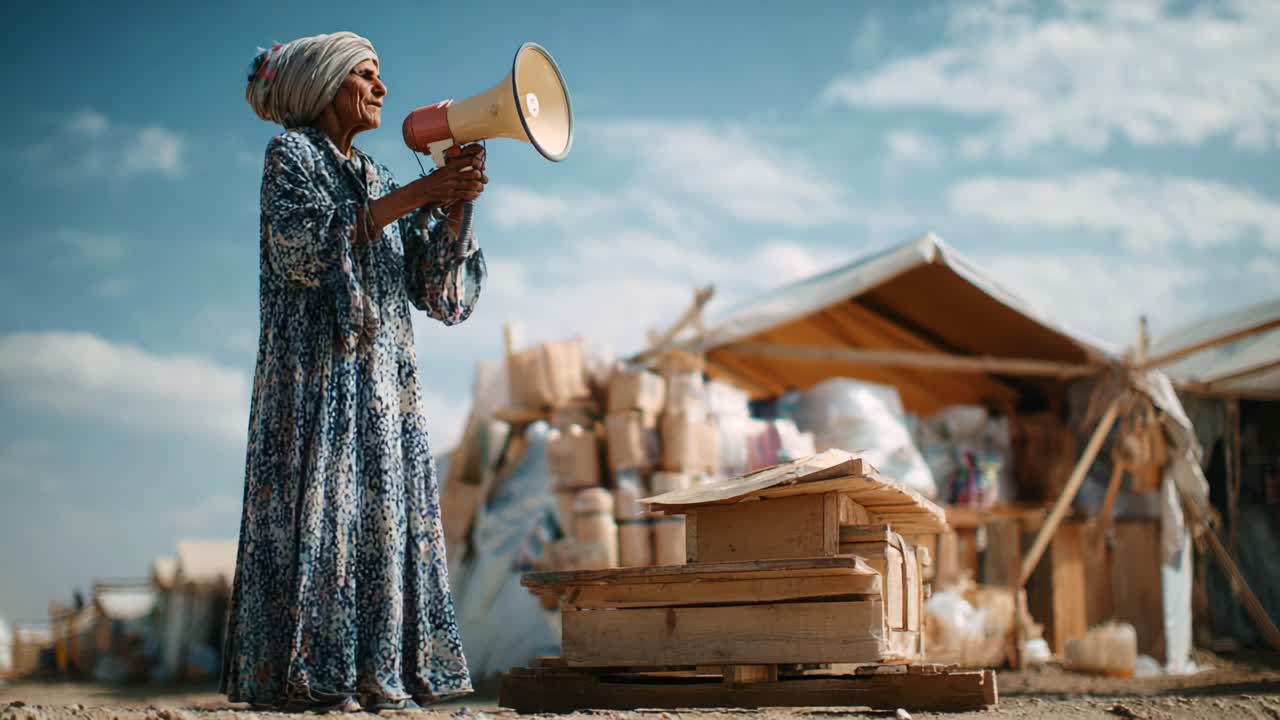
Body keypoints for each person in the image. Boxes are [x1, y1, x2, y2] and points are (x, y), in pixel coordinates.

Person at [221, 31, 486, 712]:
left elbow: (440, 295)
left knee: (377, 527)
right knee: (326, 518)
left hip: (381, 395)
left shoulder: (378, 179)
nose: (382, 89)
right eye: (366, 75)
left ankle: (374, 676)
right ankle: (317, 678)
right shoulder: (292, 156)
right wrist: (424, 189)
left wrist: (456, 204)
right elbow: (302, 250)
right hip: (315, 386)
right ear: (325, 86)